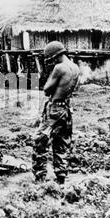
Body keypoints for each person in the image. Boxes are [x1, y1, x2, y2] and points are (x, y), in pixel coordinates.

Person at [32, 41, 80, 185]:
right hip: (66, 109)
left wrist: (48, 75)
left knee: (40, 141)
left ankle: (40, 178)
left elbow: (47, 90)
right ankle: (61, 178)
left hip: (54, 109)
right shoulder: (75, 67)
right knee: (62, 143)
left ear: (54, 56)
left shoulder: (59, 68)